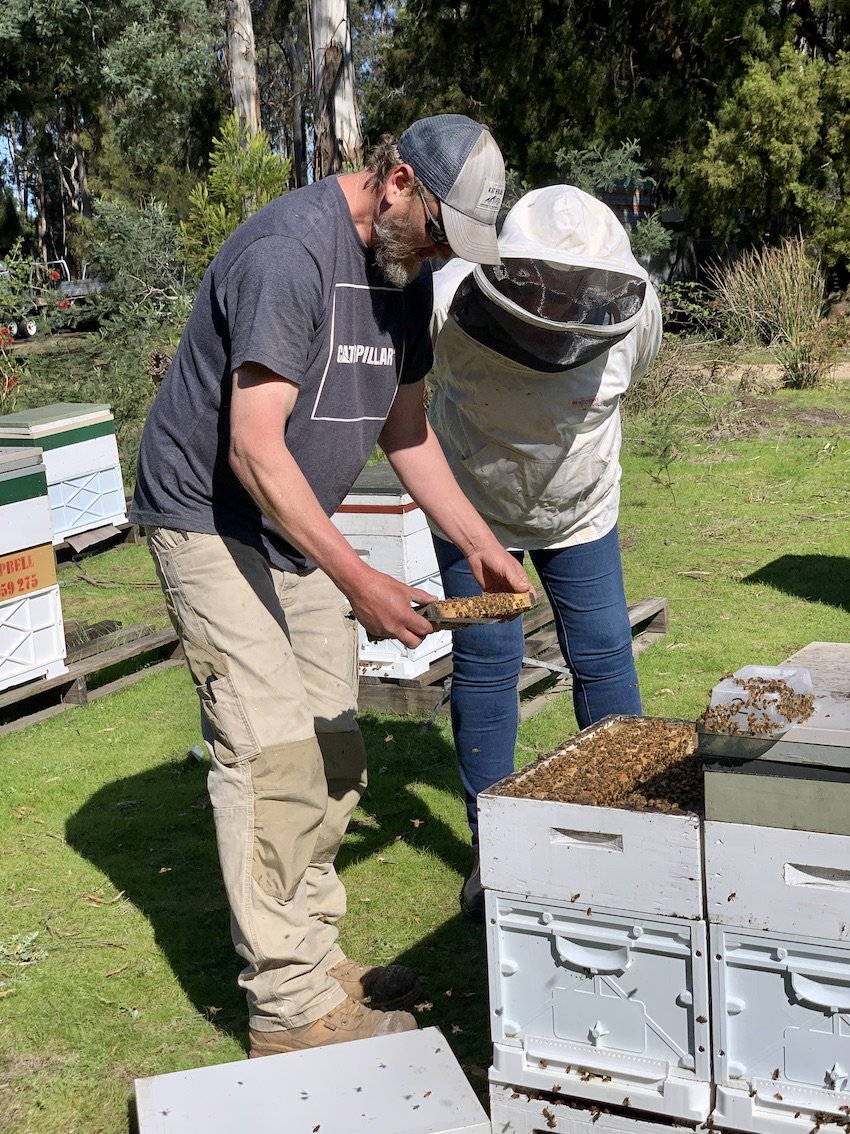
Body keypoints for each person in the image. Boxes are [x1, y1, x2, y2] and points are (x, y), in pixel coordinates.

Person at [129, 114, 531, 1056]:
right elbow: (252, 447)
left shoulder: (410, 272)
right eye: (437, 230)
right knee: (269, 753)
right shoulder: (288, 256)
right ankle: (288, 1007)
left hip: (289, 519)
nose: (439, 253)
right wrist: (359, 581)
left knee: (333, 747)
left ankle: (312, 952)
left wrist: (480, 540)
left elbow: (407, 432)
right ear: (395, 180)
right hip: (211, 514)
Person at [426, 184, 663, 921]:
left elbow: (632, 378)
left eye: (576, 293)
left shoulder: (638, 314)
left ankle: (626, 831)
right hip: (473, 509)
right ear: (513, 275)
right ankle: (490, 853)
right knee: (488, 666)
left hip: (581, 508)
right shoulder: (443, 302)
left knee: (601, 654)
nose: (558, 309)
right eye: (543, 290)